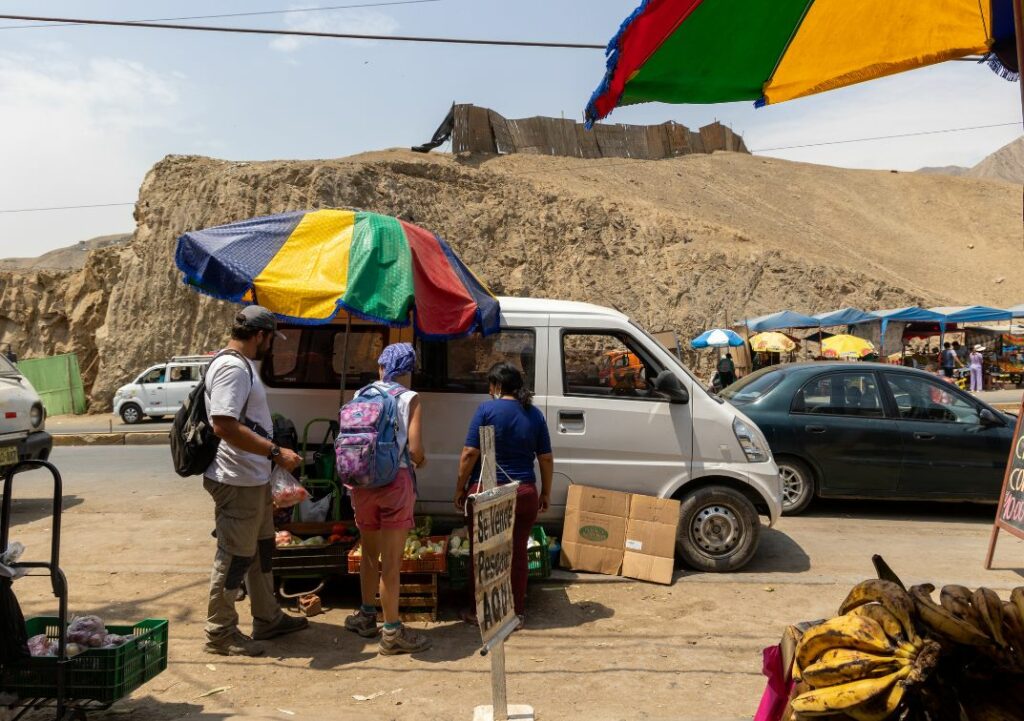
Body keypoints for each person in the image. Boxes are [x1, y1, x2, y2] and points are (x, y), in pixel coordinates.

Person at [204, 306, 308, 656]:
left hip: (252, 477)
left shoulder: (240, 366)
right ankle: (220, 632)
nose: (271, 347)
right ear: (260, 336)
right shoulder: (233, 368)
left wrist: (271, 454)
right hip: (237, 480)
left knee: (262, 550)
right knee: (234, 556)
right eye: (270, 339)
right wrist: (276, 453)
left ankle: (267, 618)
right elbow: (224, 424)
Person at [343, 342, 431, 655]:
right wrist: (421, 461)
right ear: (407, 370)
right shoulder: (409, 398)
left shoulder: (360, 394)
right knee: (391, 563)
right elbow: (415, 449)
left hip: (362, 481)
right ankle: (392, 633)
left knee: (369, 554)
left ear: (381, 365)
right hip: (395, 482)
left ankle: (367, 616)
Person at [454, 363, 554, 625]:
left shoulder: (486, 410)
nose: (489, 392)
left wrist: (460, 488)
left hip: (487, 492)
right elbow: (545, 459)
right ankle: (515, 612)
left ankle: (480, 614)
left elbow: (469, 454)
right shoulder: (534, 415)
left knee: (483, 552)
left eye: (490, 387)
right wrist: (545, 492)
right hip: (524, 493)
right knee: (517, 552)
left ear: (497, 386)